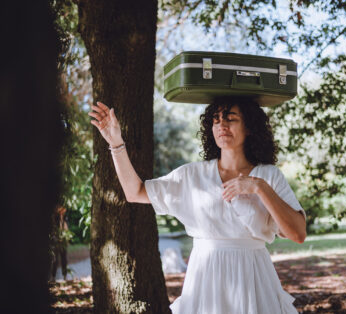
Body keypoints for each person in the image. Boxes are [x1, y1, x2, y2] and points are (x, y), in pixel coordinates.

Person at [89, 98, 307, 314]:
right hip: (206, 277)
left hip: (254, 275)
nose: (222, 125)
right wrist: (116, 144)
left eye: (230, 119)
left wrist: (260, 188)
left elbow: (298, 234)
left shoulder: (269, 176)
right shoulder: (192, 175)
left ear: (249, 127)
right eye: (216, 120)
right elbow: (134, 192)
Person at [50, 205, 69, 281]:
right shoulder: (54, 218)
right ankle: (53, 276)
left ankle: (65, 275)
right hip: (56, 241)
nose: (63, 212)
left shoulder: (65, 218)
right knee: (55, 260)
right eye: (62, 210)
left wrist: (66, 240)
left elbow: (66, 229)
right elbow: (54, 230)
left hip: (63, 241)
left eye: (64, 210)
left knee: (64, 259)